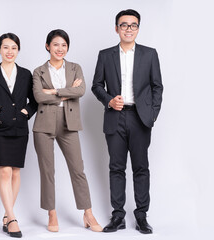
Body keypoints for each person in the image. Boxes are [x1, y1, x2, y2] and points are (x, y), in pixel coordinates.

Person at [91, 9, 163, 234]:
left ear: (138, 29)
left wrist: (151, 115)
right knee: (116, 167)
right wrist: (109, 101)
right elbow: (96, 85)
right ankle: (118, 216)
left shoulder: (150, 54)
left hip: (140, 118)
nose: (129, 28)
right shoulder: (105, 55)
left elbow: (157, 87)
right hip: (115, 117)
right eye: (124, 25)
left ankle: (141, 215)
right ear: (117, 28)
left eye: (133, 25)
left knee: (141, 168)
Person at [33, 29, 102, 233]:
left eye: (64, 45)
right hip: (44, 123)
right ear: (48, 46)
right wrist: (66, 93)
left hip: (69, 122)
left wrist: (54, 91)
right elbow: (38, 96)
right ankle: (51, 212)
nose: (60, 49)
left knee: (77, 169)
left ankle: (88, 213)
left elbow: (80, 91)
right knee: (47, 171)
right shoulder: (38, 71)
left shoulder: (75, 68)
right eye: (55, 44)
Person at [0, 33, 37, 238]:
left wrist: (26, 113)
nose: (9, 51)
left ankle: (6, 214)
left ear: (18, 50)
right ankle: (12, 218)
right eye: (5, 47)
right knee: (4, 171)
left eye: (13, 47)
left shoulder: (26, 74)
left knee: (16, 172)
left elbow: (35, 100)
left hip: (20, 128)